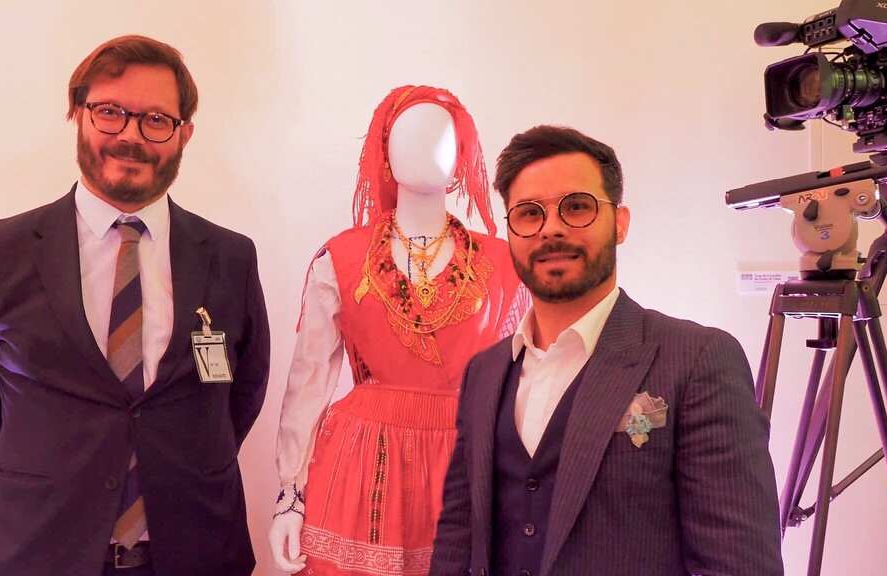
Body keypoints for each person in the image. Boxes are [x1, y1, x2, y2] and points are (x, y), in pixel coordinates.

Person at [0, 35, 270, 576]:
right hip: (39, 553)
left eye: (156, 120)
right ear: (78, 114)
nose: (130, 136)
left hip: (199, 551)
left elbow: (242, 392)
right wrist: (44, 477)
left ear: (184, 134)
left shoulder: (231, 258)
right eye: (110, 112)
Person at [429, 125, 783, 576]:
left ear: (620, 223)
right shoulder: (484, 372)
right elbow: (457, 540)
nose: (551, 228)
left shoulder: (698, 360)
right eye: (529, 213)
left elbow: (739, 564)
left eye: (577, 207)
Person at [269, 86, 526, 576]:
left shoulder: (505, 264)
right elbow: (308, 381)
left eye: (441, 135)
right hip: (363, 465)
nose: (425, 146)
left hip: (466, 462)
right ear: (383, 150)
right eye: (408, 134)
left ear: (463, 152)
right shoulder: (340, 258)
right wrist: (290, 494)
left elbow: (527, 388)